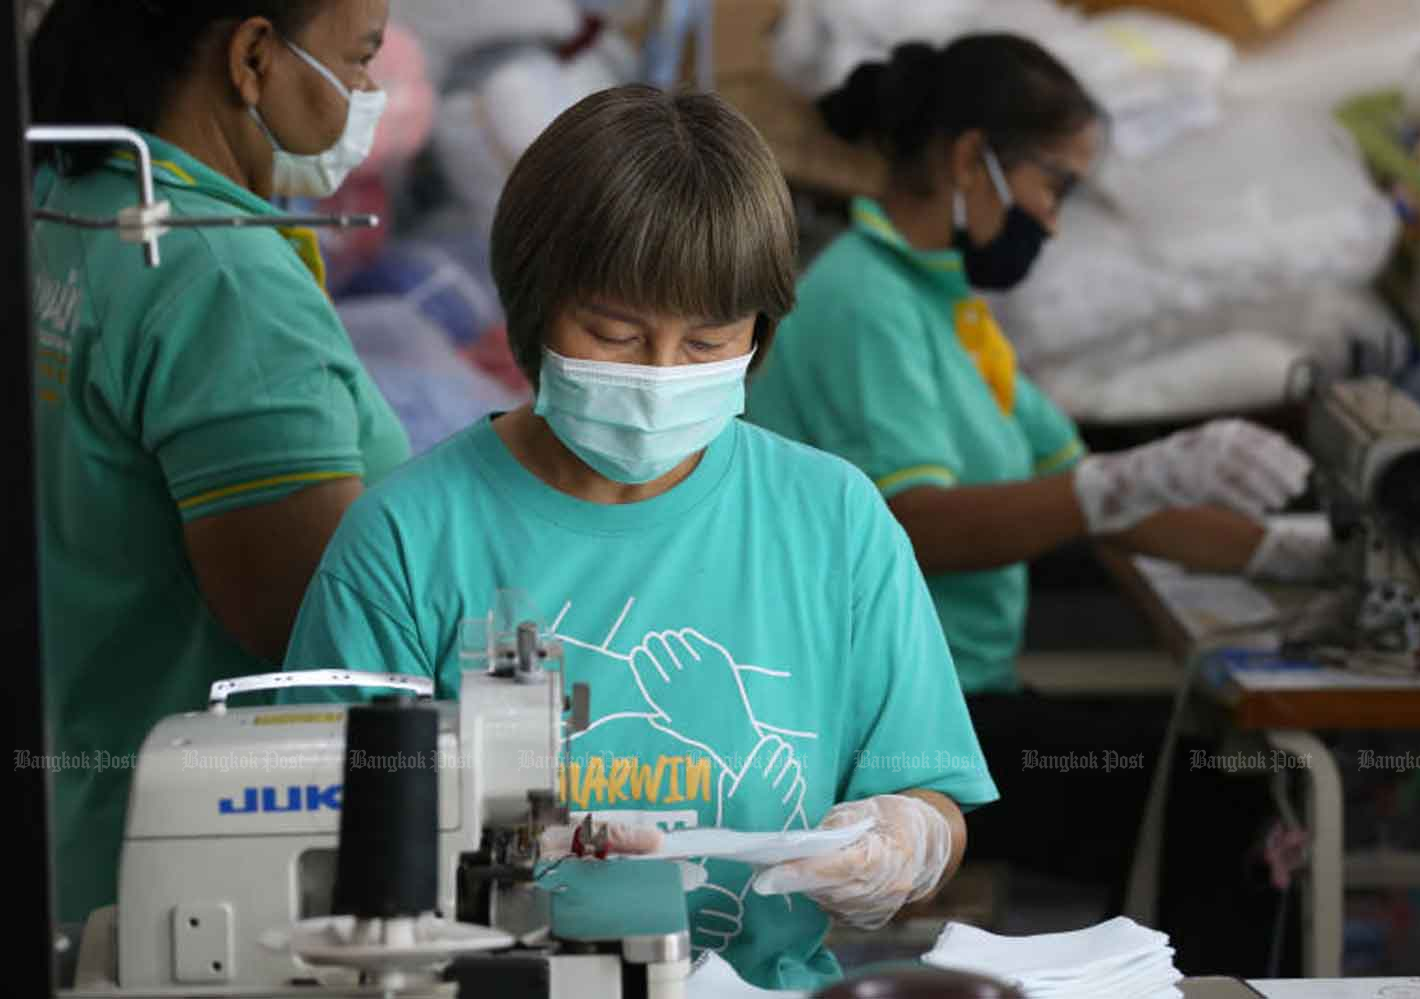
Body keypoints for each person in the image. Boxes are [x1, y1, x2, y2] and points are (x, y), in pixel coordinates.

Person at [280, 85, 997, 990]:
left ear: (760, 333)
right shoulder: (406, 541)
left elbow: (930, 792)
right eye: (615, 333)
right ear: (533, 308)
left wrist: (907, 839)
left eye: (707, 344)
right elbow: (310, 847)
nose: (660, 377)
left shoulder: (835, 522)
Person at [744, 36, 1331, 912]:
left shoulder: (951, 312)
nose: (1053, 221)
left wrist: (1295, 554)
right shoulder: (866, 302)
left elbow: (1101, 496)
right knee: (1228, 803)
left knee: (1205, 773)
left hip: (959, 700)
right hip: (874, 727)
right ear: (968, 160)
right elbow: (918, 524)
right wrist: (1118, 487)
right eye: (1053, 185)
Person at [30, 0, 409, 929]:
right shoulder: (222, 284)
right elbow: (317, 643)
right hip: (202, 892)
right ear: (251, 57)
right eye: (358, 62)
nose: (367, 94)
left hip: (82, 832)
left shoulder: (68, 207)